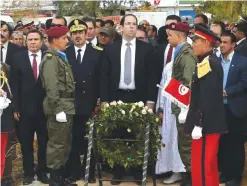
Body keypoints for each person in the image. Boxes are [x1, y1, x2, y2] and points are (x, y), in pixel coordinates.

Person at [100, 14, 156, 185]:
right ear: (121, 27)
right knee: (117, 135)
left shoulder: (147, 49)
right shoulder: (111, 49)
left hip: (138, 97)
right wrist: (104, 100)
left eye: (134, 24)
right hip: (117, 96)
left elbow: (151, 77)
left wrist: (150, 101)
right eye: (128, 24)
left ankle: (138, 171)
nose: (131, 27)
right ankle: (118, 171)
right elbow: (104, 76)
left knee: (138, 136)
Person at [185, 23, 228, 186]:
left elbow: (207, 97)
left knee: (202, 167)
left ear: (206, 43)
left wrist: (199, 122)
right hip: (207, 123)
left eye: (196, 41)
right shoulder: (207, 61)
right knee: (207, 166)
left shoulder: (208, 63)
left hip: (205, 125)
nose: (193, 44)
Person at [65, 19, 102, 183]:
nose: (77, 36)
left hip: (90, 104)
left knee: (90, 141)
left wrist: (100, 101)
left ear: (86, 33)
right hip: (71, 104)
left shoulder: (97, 53)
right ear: (70, 35)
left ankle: (90, 172)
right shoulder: (65, 53)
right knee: (73, 139)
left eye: (80, 32)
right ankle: (74, 171)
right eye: (74, 33)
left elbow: (101, 80)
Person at [39, 25, 76, 186]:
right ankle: (54, 180)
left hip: (67, 105)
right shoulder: (50, 59)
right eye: (64, 38)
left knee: (64, 143)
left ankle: (60, 178)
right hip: (59, 107)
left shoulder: (60, 56)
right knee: (56, 144)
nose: (67, 40)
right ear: (55, 40)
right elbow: (51, 87)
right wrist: (58, 109)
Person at [11, 29, 49, 185]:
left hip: (44, 110)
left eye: (36, 39)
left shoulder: (48, 58)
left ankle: (42, 172)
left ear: (41, 41)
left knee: (43, 142)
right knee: (26, 144)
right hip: (24, 110)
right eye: (30, 39)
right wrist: (15, 108)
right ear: (26, 42)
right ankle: (28, 173)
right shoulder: (17, 58)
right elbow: (14, 85)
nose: (33, 42)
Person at [166, 22, 197, 186]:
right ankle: (188, 175)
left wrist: (185, 108)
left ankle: (191, 177)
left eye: (170, 35)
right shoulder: (180, 52)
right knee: (183, 144)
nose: (167, 37)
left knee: (186, 144)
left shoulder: (186, 54)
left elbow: (188, 83)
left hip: (185, 107)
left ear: (179, 36)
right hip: (180, 105)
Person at [218, 32, 247, 186]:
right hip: (219, 108)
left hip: (235, 108)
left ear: (233, 44)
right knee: (222, 142)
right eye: (220, 42)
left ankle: (236, 175)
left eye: (225, 42)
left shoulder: (242, 61)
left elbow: (244, 83)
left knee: (235, 143)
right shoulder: (216, 61)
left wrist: (227, 91)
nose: (222, 45)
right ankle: (225, 173)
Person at [0, 62, 15, 186]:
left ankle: (4, 178)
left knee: (3, 152)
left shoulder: (5, 67)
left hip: (3, 120)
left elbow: (10, 91)